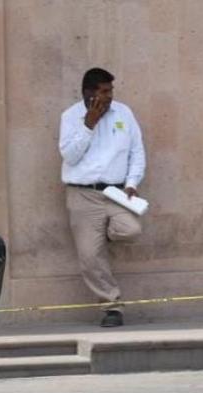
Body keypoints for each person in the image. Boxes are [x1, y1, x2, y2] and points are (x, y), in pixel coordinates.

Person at [58, 66, 147, 327]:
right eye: (104, 91)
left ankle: (104, 234)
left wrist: (132, 183)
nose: (109, 96)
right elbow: (70, 156)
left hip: (117, 192)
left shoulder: (124, 113)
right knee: (89, 257)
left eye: (111, 91)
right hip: (83, 195)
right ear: (89, 93)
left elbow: (137, 151)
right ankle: (112, 306)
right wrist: (89, 125)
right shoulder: (71, 116)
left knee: (131, 230)